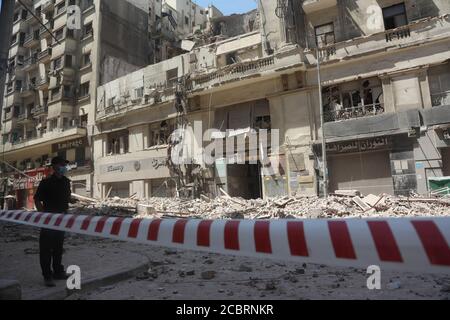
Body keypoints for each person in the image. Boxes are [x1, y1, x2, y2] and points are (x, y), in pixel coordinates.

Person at [34, 156, 74, 287]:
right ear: (55, 166)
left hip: (62, 220)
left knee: (58, 248)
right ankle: (47, 276)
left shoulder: (66, 182)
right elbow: (37, 199)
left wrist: (70, 201)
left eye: (65, 165)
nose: (64, 167)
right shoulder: (46, 183)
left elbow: (65, 197)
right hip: (48, 220)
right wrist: (43, 215)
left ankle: (58, 272)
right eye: (62, 164)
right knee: (46, 249)